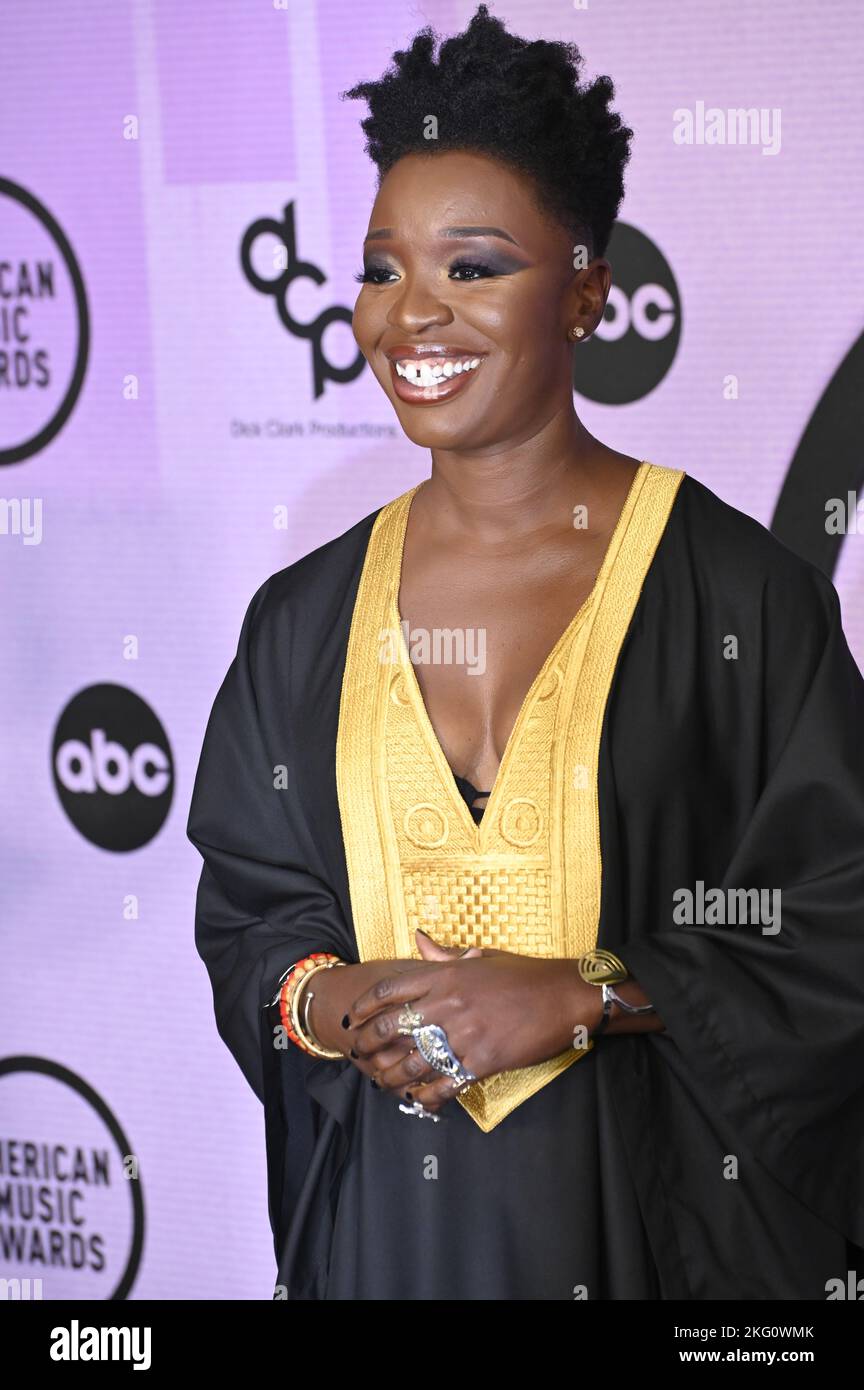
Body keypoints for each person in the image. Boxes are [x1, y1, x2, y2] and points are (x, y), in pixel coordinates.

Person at [186, 5, 864, 1300]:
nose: (412, 316)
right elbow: (254, 907)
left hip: (651, 1233)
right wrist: (329, 1002)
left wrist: (587, 991)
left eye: (474, 266)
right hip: (386, 1237)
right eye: (384, 267)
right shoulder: (303, 618)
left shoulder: (739, 596)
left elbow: (840, 918)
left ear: (591, 287)